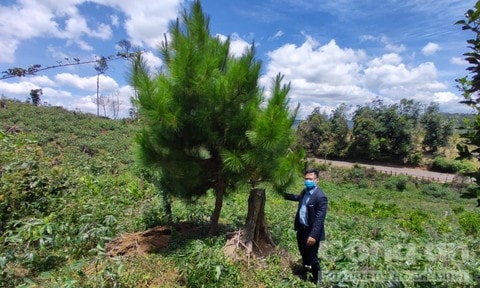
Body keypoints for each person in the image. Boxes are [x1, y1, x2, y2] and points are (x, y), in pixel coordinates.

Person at [284, 168, 328, 285]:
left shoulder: (320, 197)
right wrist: (283, 194)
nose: (308, 181)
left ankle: (318, 280)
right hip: (301, 229)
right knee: (303, 253)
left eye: (310, 179)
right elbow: (298, 198)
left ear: (317, 180)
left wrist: (313, 236)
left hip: (311, 232)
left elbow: (320, 219)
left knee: (313, 258)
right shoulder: (304, 192)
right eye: (306, 179)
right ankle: (305, 271)